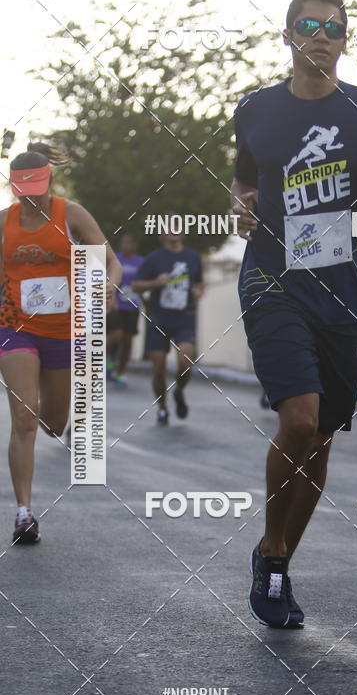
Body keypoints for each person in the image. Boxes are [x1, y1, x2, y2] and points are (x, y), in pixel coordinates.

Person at [231, 0, 357, 628]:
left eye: (333, 28)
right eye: (308, 25)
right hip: (271, 279)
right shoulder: (255, 109)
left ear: (345, 41)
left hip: (341, 287)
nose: (321, 35)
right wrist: (241, 201)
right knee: (302, 420)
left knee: (323, 440)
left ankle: (275, 556)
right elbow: (244, 174)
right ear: (289, 35)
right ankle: (273, 553)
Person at [0, 142, 121, 543]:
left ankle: (61, 427)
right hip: (15, 327)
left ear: (48, 180)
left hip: (66, 332)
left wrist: (109, 287)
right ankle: (23, 512)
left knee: (53, 423)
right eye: (22, 188)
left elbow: (111, 261)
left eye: (35, 186)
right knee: (24, 417)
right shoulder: (4, 221)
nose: (29, 195)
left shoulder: (70, 215)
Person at [132, 230, 204, 425]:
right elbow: (136, 285)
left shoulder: (192, 256)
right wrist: (156, 282)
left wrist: (198, 290)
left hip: (184, 317)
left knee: (185, 361)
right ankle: (162, 408)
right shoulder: (154, 258)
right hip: (159, 318)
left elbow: (199, 282)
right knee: (159, 369)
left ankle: (179, 391)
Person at [106, 232, 144, 387]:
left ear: (135, 245)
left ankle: (120, 372)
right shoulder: (116, 260)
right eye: (123, 242)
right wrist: (111, 297)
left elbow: (144, 282)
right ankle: (109, 359)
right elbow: (108, 278)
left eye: (129, 242)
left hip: (133, 306)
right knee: (117, 336)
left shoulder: (141, 262)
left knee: (128, 341)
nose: (125, 246)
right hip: (117, 305)